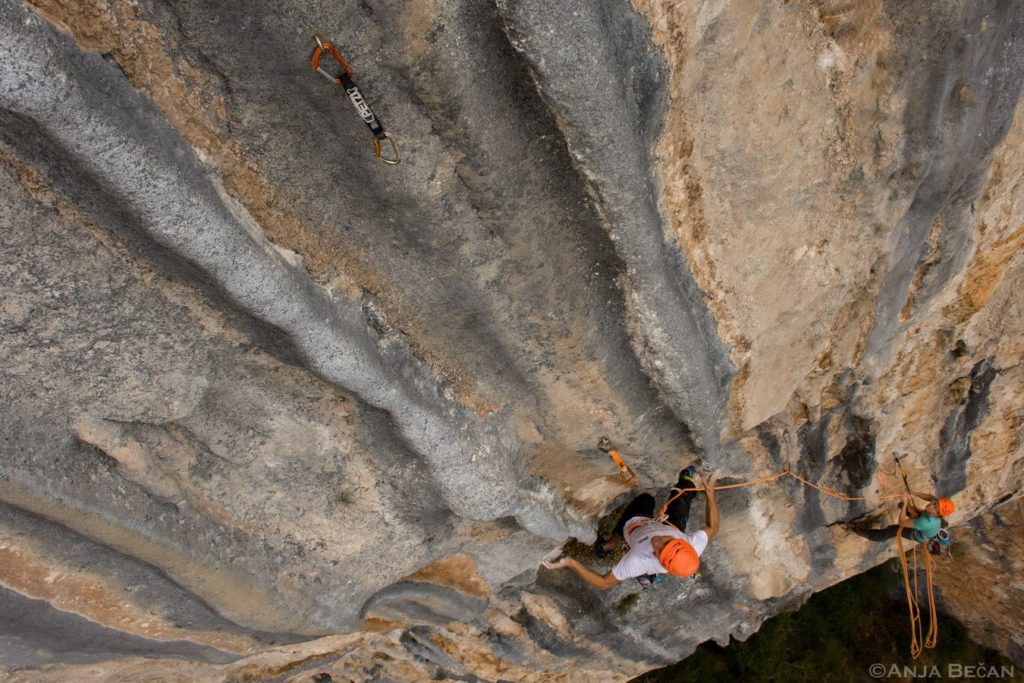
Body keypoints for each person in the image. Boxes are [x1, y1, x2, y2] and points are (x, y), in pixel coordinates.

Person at [543, 467, 719, 589]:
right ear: (682, 543)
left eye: (658, 551)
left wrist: (570, 563)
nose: (657, 542)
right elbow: (713, 526)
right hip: (668, 525)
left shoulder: (638, 560)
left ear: (658, 560)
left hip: (636, 529)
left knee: (644, 501)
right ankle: (686, 479)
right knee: (684, 495)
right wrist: (710, 493)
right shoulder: (694, 546)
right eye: (666, 542)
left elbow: (605, 582)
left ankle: (610, 544)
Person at [853, 491, 954, 548]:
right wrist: (914, 493)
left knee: (892, 530)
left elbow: (902, 523)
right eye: (934, 503)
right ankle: (907, 510)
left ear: (937, 513)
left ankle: (860, 531)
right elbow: (930, 497)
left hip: (918, 534)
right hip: (924, 520)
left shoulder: (926, 522)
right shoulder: (937, 508)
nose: (931, 504)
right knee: (907, 508)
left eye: (934, 507)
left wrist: (905, 504)